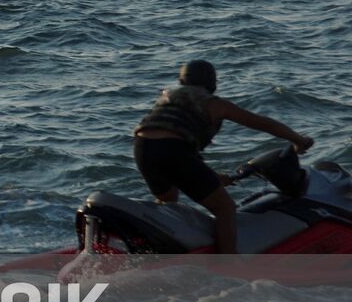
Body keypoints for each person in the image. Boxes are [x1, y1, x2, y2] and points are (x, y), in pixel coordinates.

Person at [133, 59, 314, 253]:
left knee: (169, 201)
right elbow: (263, 123)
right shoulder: (215, 105)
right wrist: (298, 140)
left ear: (182, 81)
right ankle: (228, 264)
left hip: (143, 148)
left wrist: (213, 177)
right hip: (173, 150)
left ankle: (162, 249)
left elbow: (177, 150)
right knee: (225, 208)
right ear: (212, 83)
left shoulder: (167, 99)